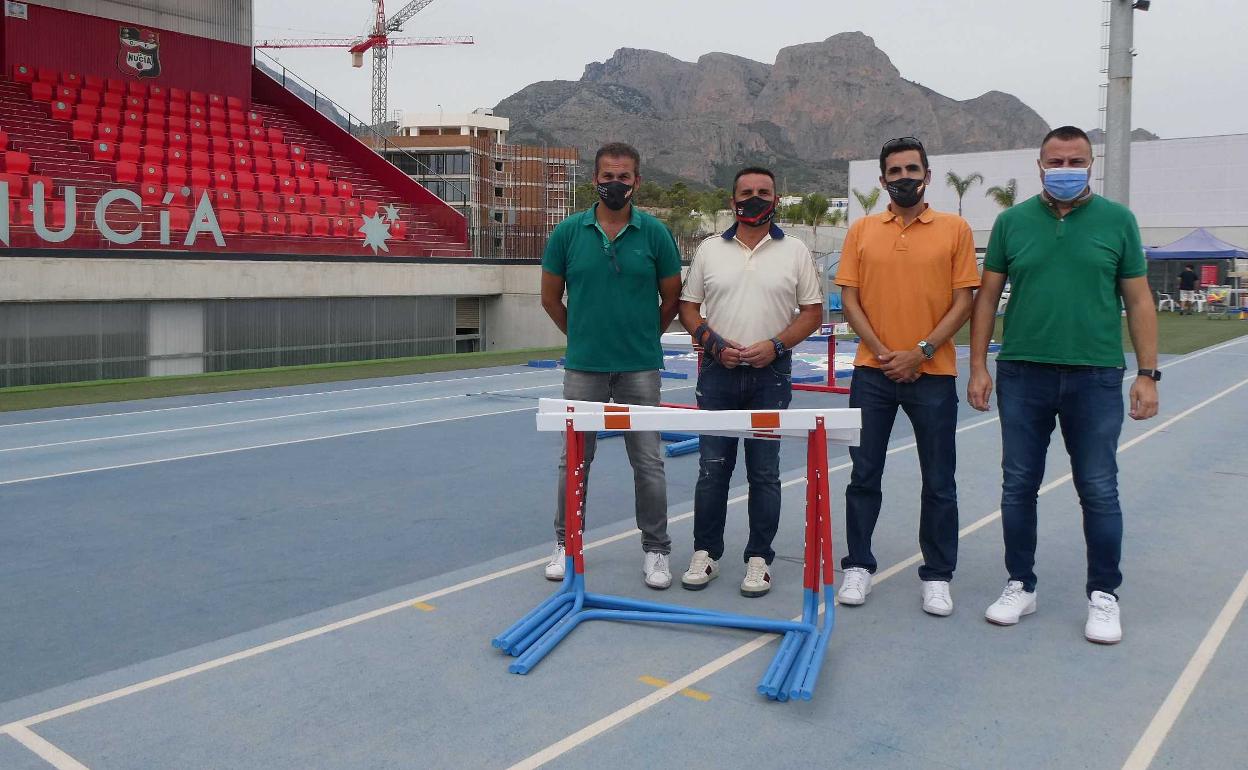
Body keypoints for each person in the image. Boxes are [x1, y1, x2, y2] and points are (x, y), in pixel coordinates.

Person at [968, 125, 1159, 645]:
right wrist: (980, 365)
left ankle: (1103, 595)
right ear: (1039, 164)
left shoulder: (1119, 222)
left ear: (1090, 165)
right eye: (1057, 161)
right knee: (1017, 484)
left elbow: (1140, 300)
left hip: (1095, 375)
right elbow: (986, 298)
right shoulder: (1012, 222)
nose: (1066, 170)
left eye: (1076, 162)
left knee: (1097, 486)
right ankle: (1020, 584)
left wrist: (1147, 373)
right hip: (1024, 372)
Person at [833, 136, 980, 616]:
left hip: (932, 374)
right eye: (894, 171)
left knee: (939, 479)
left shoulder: (955, 229)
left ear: (928, 175)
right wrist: (880, 351)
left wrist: (921, 351)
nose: (903, 178)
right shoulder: (862, 231)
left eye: (911, 169)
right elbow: (849, 299)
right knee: (864, 474)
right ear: (882, 180)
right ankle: (858, 564)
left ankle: (937, 575)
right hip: (871, 374)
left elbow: (965, 300)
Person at [539, 141, 683, 589]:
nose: (615, 184)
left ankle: (656, 551)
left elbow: (672, 298)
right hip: (584, 367)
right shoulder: (567, 233)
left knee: (648, 461)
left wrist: (643, 338)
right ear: (595, 179)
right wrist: (582, 339)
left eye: (624, 177)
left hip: (640, 366)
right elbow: (549, 298)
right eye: (607, 176)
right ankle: (567, 544)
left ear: (636, 182)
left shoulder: (655, 234)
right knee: (575, 461)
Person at [677, 166, 823, 597]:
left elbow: (812, 313)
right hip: (717, 373)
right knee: (711, 471)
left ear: (776, 199)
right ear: (732, 199)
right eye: (747, 192)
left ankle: (759, 559)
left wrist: (776, 346)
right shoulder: (708, 250)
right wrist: (710, 341)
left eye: (764, 192)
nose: (755, 198)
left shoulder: (795, 250)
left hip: (770, 375)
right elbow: (689, 308)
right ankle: (706, 553)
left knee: (764, 473)